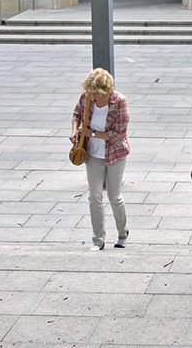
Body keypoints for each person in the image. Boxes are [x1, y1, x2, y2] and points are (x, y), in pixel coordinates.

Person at [71, 68, 130, 249]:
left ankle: (122, 232)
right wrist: (75, 131)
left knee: (114, 197)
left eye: (96, 93)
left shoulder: (119, 102)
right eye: (91, 92)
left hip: (115, 154)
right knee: (94, 196)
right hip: (93, 154)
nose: (93, 96)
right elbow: (77, 114)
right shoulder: (86, 98)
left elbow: (119, 135)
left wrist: (92, 133)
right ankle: (98, 240)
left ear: (106, 91)